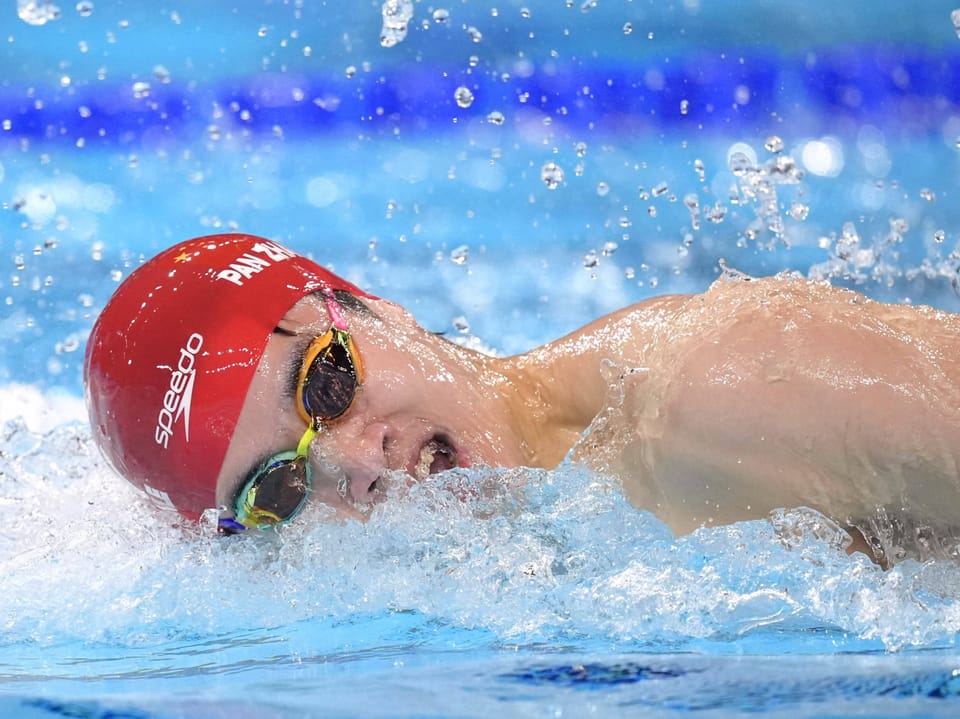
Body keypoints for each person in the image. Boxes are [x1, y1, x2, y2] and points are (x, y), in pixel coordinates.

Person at [85, 233, 960, 563]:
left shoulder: (710, 394)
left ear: (372, 306)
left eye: (329, 382)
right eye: (279, 487)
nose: (358, 465)